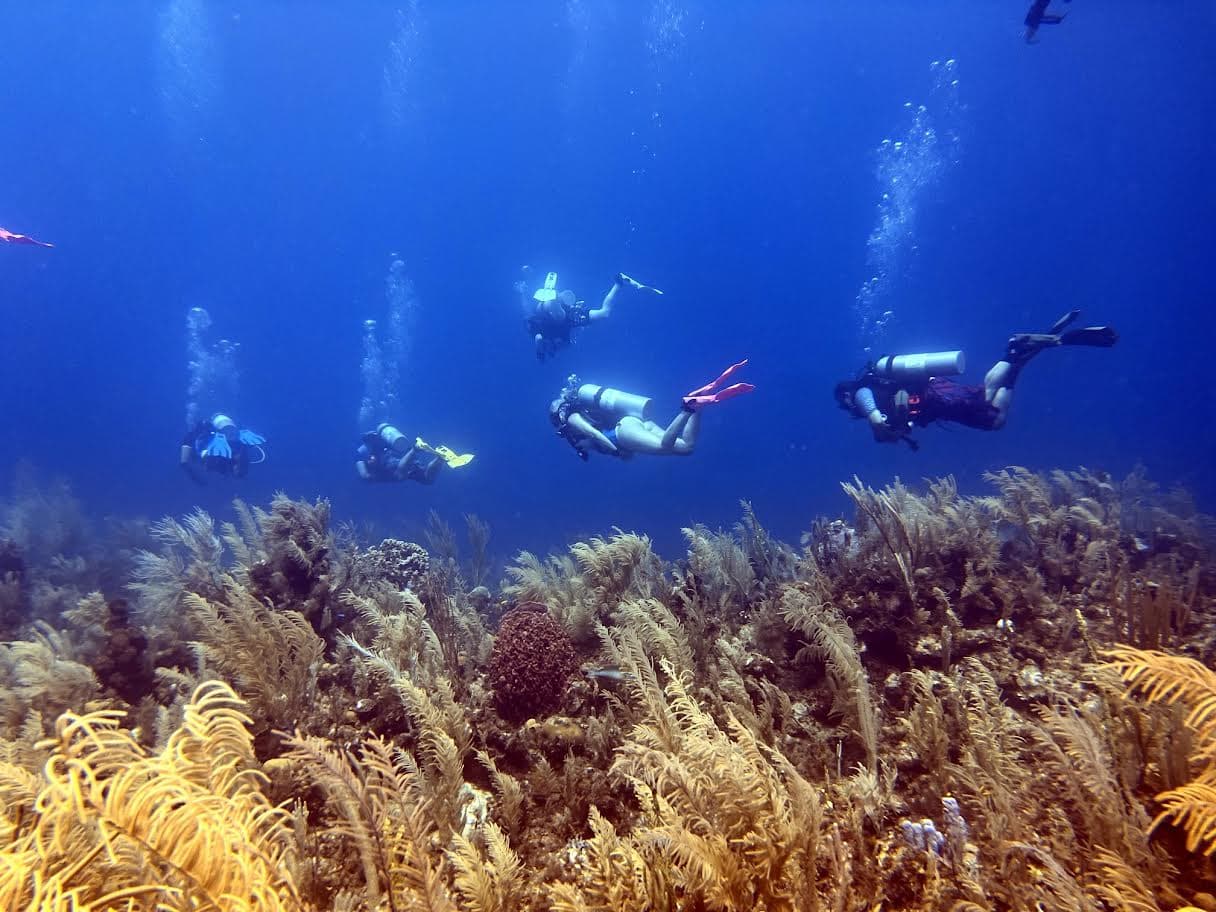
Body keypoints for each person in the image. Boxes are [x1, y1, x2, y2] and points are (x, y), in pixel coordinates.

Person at [834, 310, 1117, 450]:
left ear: (845, 398)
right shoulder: (878, 390)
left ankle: (1016, 349)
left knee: (992, 415)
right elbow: (898, 420)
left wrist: (872, 417)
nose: (849, 409)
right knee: (990, 409)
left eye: (845, 404)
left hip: (936, 397)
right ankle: (1020, 353)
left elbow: (863, 396)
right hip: (937, 397)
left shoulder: (861, 393)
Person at [549, 359, 754, 460]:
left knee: (664, 446)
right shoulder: (580, 413)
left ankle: (686, 407)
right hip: (632, 422)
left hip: (622, 433)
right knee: (686, 448)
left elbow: (593, 433)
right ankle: (696, 405)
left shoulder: (570, 419)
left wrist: (616, 451)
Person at [522, 269, 660, 362]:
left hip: (549, 315)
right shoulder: (563, 340)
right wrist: (555, 349)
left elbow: (539, 338)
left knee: (556, 315)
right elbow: (566, 342)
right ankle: (619, 282)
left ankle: (551, 296)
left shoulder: (539, 332)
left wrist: (540, 353)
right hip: (568, 317)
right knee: (604, 313)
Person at [356, 423, 473, 483]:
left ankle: (416, 449)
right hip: (402, 458)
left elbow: (365, 476)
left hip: (394, 465)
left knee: (399, 474)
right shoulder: (381, 443)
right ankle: (439, 458)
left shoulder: (361, 453)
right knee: (427, 479)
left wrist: (375, 476)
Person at [180, 413, 266, 484]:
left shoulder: (211, 438)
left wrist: (185, 462)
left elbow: (190, 443)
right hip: (224, 451)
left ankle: (235, 468)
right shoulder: (211, 438)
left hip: (222, 452)